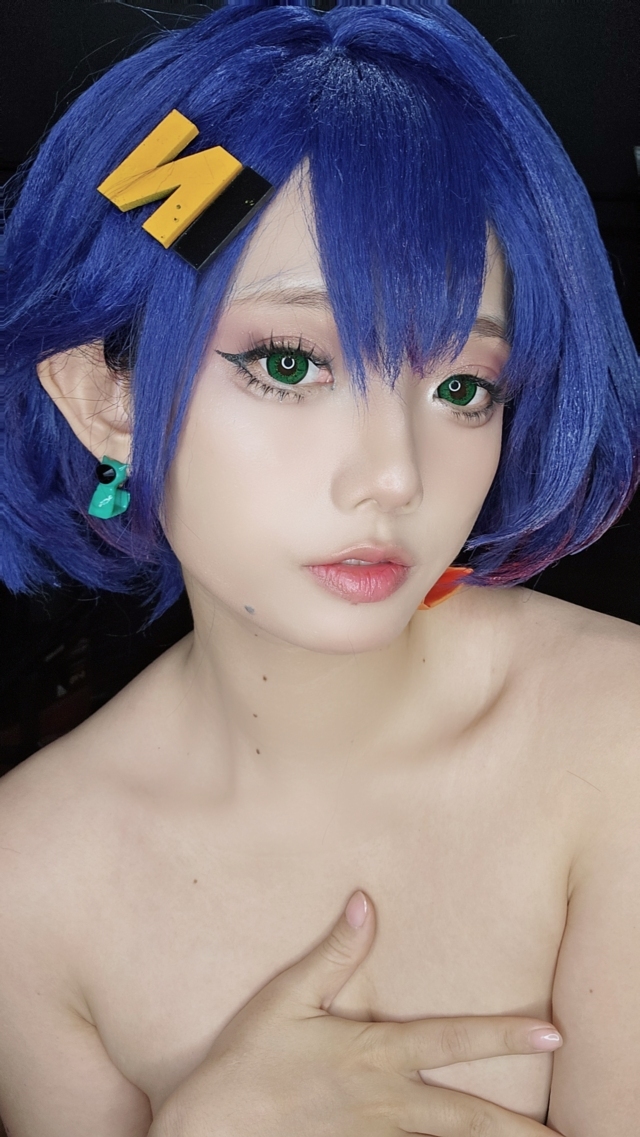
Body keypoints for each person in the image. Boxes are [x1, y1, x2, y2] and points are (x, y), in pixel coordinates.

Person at [1, 1, 639, 1133]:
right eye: (290, 364)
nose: (393, 475)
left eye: (461, 387)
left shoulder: (615, 736)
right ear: (105, 395)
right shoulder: (30, 879)